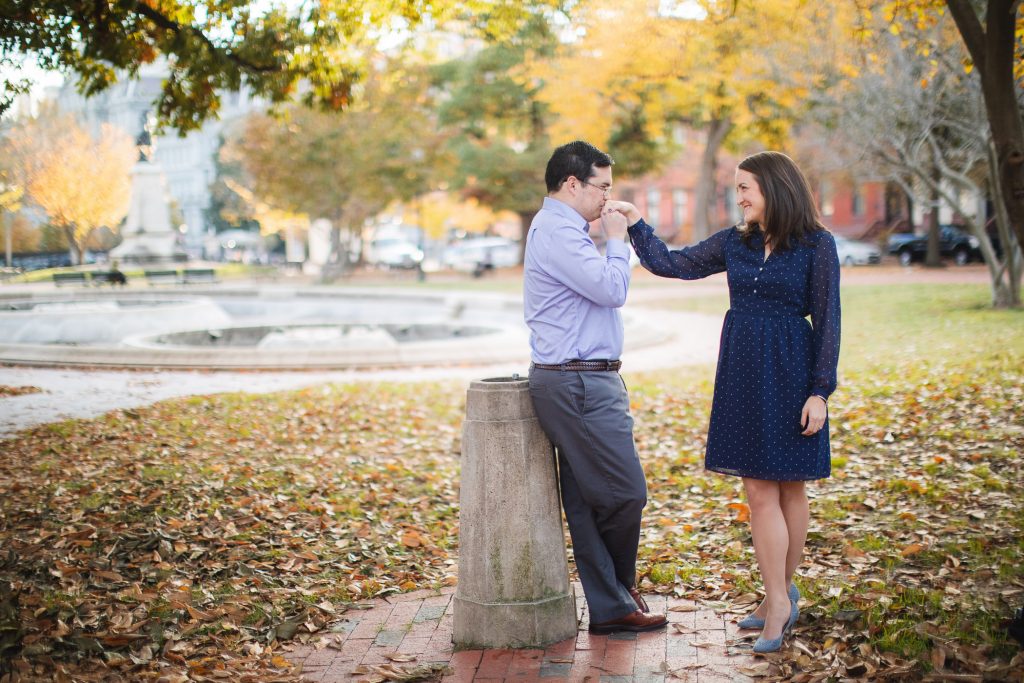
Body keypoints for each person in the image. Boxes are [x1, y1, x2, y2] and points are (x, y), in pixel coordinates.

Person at [611, 150, 840, 653]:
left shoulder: (816, 245)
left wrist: (820, 392)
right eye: (737, 188)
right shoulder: (736, 243)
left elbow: (828, 321)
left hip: (792, 372)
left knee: (790, 488)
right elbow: (671, 263)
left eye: (745, 188)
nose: (738, 197)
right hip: (743, 372)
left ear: (774, 189)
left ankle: (779, 597)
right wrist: (636, 223)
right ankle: (778, 598)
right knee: (759, 490)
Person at [524, 140, 668, 635]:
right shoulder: (558, 233)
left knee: (587, 500)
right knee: (627, 492)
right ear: (571, 184)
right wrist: (617, 238)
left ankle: (611, 608)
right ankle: (619, 592)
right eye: (601, 187)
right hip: (577, 381)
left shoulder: (562, 229)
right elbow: (612, 290)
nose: (607, 198)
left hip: (580, 377)